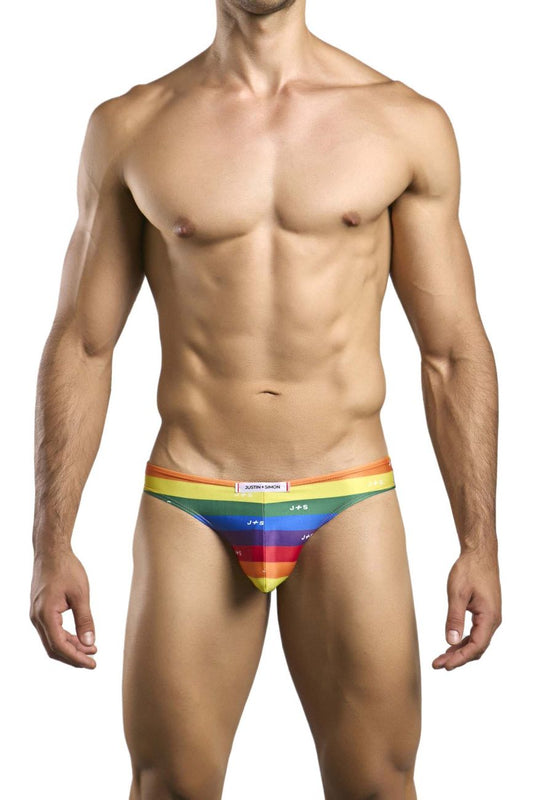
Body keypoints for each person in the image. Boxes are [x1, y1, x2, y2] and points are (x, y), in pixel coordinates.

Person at [29, 0, 502, 797]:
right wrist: (51, 544)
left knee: (378, 786)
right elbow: (82, 343)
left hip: (346, 490)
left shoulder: (402, 123)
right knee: (168, 787)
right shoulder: (132, 126)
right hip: (193, 493)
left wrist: (478, 543)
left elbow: (451, 351)